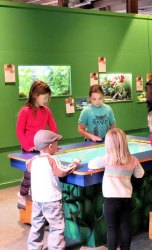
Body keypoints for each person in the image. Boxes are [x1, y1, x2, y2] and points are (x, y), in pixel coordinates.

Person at [88, 128, 144, 250]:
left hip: (110, 199)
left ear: (108, 144)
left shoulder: (107, 159)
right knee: (125, 224)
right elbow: (140, 174)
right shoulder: (133, 160)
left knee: (111, 228)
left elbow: (90, 164)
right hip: (126, 198)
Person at [27, 130, 81, 250]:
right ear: (50, 146)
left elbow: (28, 165)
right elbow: (62, 172)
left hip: (37, 201)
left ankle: (33, 247)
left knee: (36, 226)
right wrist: (75, 163)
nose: (57, 146)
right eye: (57, 144)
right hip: (52, 200)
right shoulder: (52, 160)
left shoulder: (32, 161)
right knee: (56, 227)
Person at [16, 80, 58, 209]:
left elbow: (53, 128)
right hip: (28, 149)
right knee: (29, 174)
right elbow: (19, 132)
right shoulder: (25, 111)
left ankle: (40, 203)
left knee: (43, 176)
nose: (46, 100)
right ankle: (22, 194)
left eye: (48, 98)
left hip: (42, 148)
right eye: (44, 98)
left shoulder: (46, 110)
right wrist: (28, 147)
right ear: (35, 95)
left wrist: (54, 142)